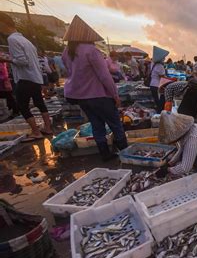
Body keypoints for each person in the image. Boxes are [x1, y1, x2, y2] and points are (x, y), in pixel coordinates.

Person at [61, 15, 128, 161]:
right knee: (115, 124)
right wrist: (115, 96)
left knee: (97, 125)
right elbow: (105, 76)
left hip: (81, 97)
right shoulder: (91, 50)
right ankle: (126, 153)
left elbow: (70, 72)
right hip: (99, 96)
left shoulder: (67, 52)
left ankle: (105, 154)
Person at [0, 12, 53, 141]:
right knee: (40, 103)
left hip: (25, 78)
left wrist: (7, 60)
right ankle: (47, 128)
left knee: (22, 105)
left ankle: (36, 132)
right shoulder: (26, 40)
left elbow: (23, 61)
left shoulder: (12, 39)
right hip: (35, 77)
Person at [149, 46, 168, 112]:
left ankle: (158, 112)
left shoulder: (152, 64)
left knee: (156, 100)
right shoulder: (160, 66)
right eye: (163, 58)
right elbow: (162, 77)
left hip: (152, 84)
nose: (164, 59)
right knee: (159, 102)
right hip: (157, 86)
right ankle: (159, 114)